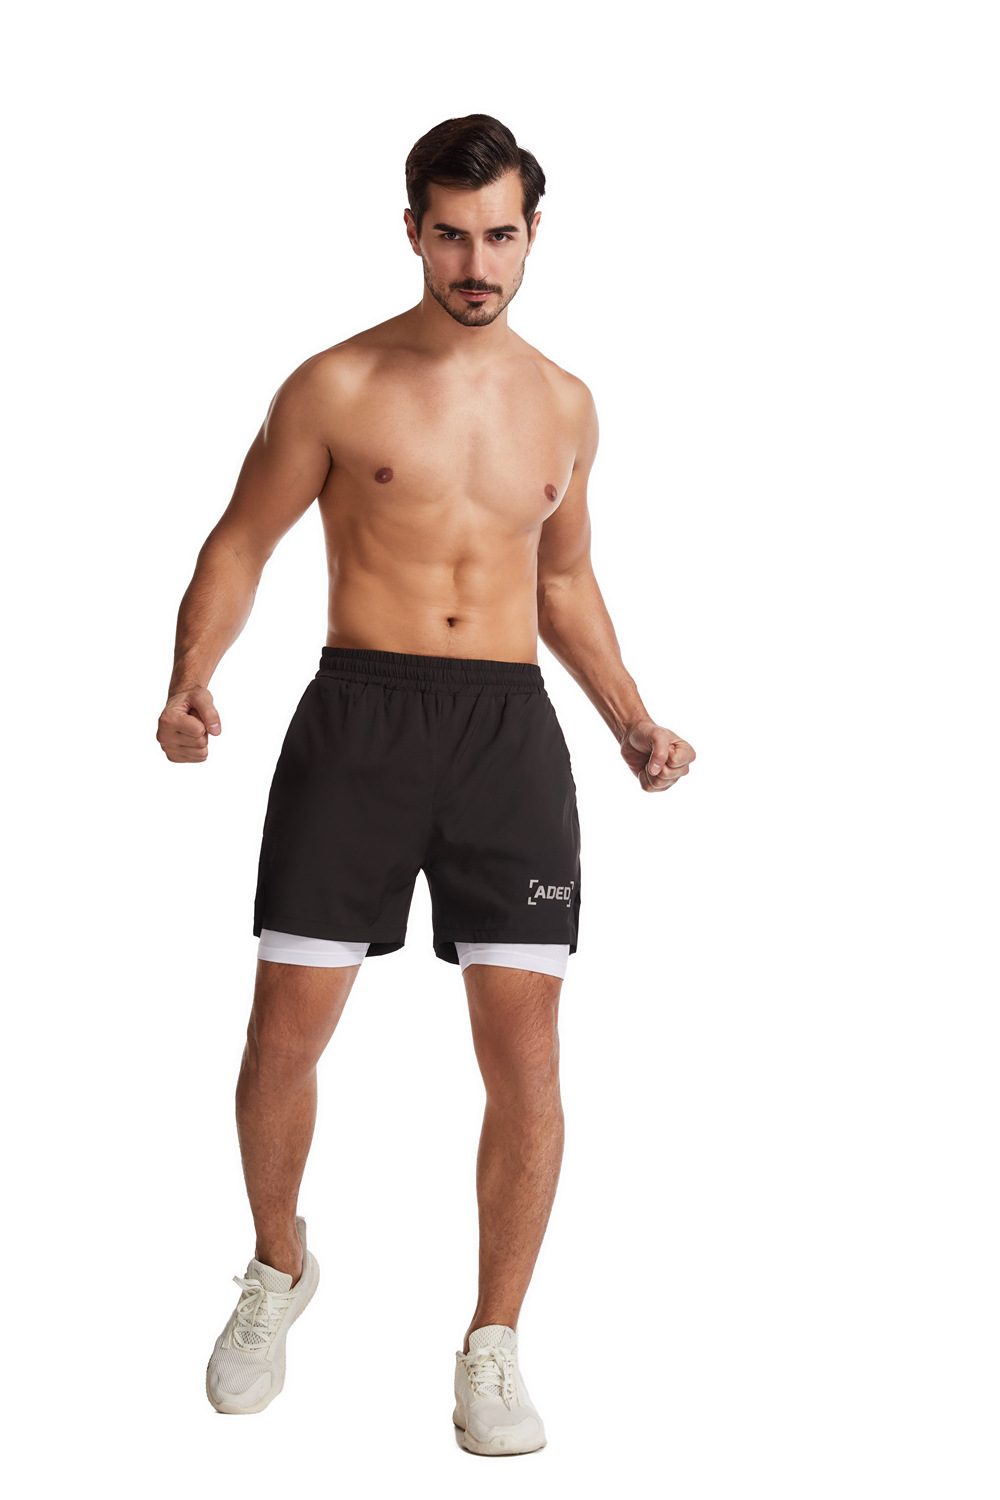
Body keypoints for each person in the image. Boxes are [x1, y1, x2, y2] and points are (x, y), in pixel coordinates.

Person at [157, 113, 695, 1453]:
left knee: (525, 1053)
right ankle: (278, 1267)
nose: (476, 264)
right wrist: (190, 676)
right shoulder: (335, 384)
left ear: (533, 233)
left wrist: (631, 719)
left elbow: (564, 581)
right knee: (286, 1033)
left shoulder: (566, 403)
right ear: (411, 230)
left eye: (500, 236)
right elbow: (240, 543)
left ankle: (493, 1341)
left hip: (508, 735)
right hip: (359, 719)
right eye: (451, 236)